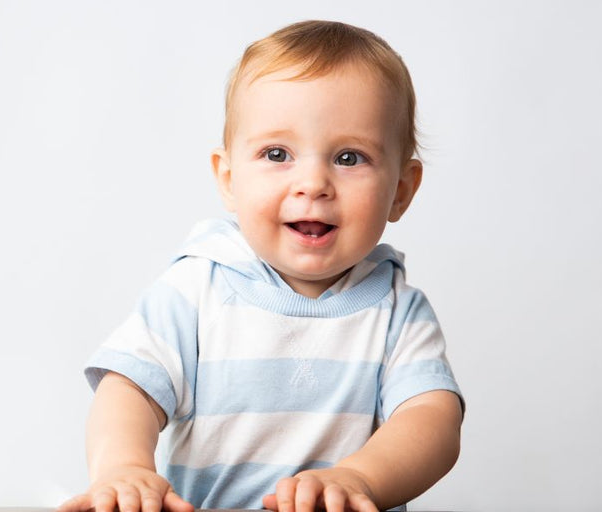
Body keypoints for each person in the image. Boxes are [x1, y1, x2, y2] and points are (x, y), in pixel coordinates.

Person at [59, 20, 464, 512]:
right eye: (277, 154)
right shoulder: (197, 287)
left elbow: (431, 420)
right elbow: (130, 390)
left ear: (401, 190)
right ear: (228, 179)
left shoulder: (397, 310)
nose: (313, 183)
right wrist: (124, 468)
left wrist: (360, 477)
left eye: (349, 157)